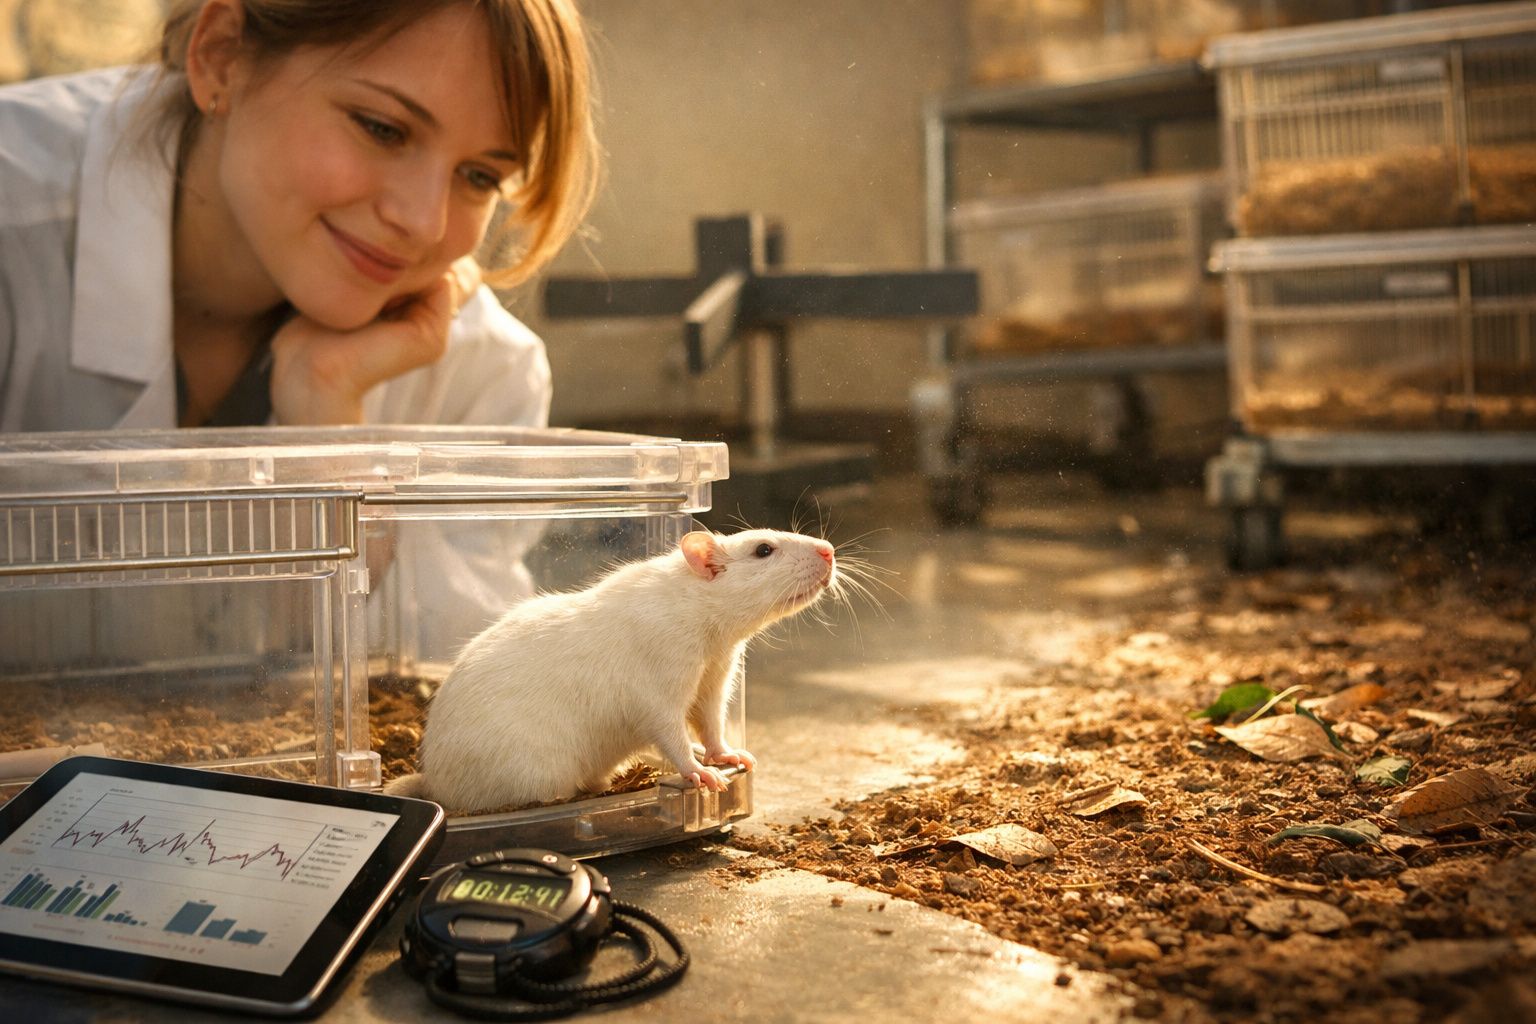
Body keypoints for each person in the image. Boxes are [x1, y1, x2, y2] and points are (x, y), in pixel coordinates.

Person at [0, 0, 598, 433]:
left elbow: (449, 615)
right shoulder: (14, 222)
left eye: (479, 177)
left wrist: (330, 416)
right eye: (382, 128)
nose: (424, 223)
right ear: (222, 55)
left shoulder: (482, 375)